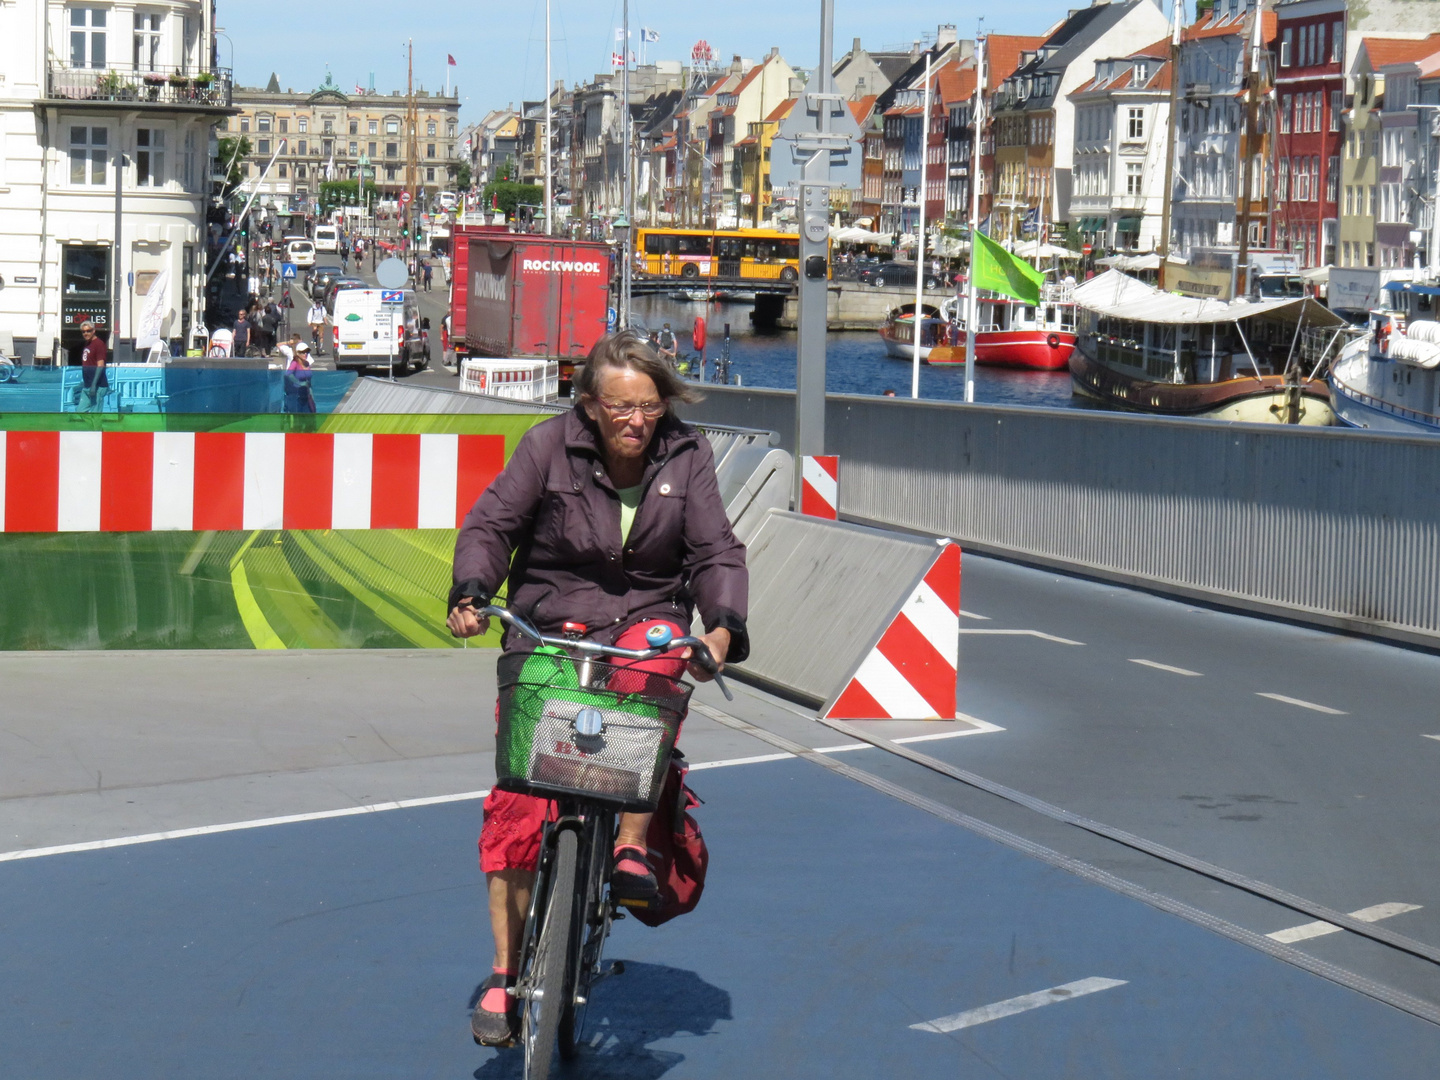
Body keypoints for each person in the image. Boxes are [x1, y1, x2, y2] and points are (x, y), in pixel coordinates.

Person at [447, 330, 749, 1047]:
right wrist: (471, 589)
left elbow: (714, 549)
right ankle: (503, 972)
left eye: (648, 406)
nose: (636, 421)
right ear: (589, 403)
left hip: (646, 617)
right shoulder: (547, 446)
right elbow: (493, 523)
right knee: (519, 798)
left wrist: (722, 628)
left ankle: (632, 848)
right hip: (553, 617)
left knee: (651, 682)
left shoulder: (688, 453)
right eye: (620, 407)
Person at [75, 321, 108, 411]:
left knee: (95, 413)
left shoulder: (99, 344)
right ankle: (89, 425)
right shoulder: (87, 344)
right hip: (87, 384)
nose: (86, 333)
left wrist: (94, 384)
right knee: (80, 411)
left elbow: (100, 365)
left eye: (88, 331)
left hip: (98, 385)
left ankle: (95, 425)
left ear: (93, 331)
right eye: (83, 331)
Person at [283, 341, 317, 414]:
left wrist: (311, 395)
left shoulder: (307, 363)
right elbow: (288, 374)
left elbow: (309, 380)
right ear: (298, 353)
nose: (305, 354)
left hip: (307, 394)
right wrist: (299, 383)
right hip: (297, 395)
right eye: (303, 352)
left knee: (311, 415)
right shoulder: (295, 363)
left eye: (307, 352)